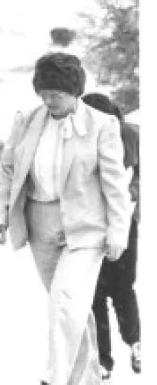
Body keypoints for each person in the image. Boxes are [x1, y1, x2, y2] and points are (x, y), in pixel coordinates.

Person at [0, 53, 132, 385]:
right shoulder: (26, 120)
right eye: (44, 93)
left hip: (86, 229)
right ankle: (87, 379)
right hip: (41, 225)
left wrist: (118, 232)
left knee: (63, 301)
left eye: (57, 94)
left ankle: (54, 379)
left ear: (75, 91)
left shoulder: (102, 125)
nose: (49, 100)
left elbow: (115, 184)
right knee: (70, 310)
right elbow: (8, 171)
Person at [81, 93, 141, 380]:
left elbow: (143, 177)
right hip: (88, 227)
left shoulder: (131, 134)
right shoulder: (77, 141)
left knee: (124, 287)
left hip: (123, 221)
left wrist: (130, 197)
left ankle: (136, 344)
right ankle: (102, 360)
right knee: (94, 294)